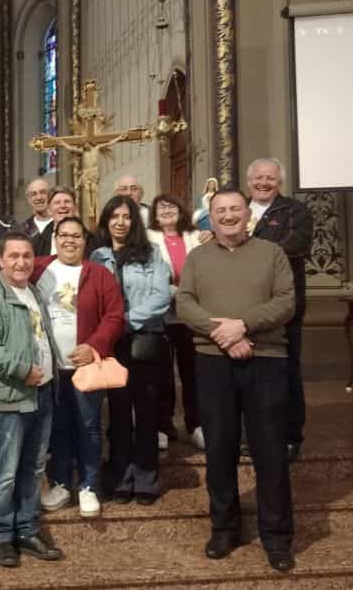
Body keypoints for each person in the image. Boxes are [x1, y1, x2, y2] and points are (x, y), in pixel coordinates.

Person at [176, 189, 297, 572]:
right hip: (213, 362)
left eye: (234, 209)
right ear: (209, 217)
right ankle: (224, 529)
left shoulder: (272, 254)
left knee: (270, 452)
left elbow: (285, 302)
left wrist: (244, 326)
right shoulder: (197, 257)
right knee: (220, 450)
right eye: (220, 211)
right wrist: (224, 336)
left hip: (267, 362)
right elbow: (185, 303)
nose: (227, 216)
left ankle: (277, 537)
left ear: (248, 214)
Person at [0, 231, 64, 568]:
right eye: (14, 256)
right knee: (5, 472)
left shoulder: (33, 291)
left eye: (26, 256)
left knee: (34, 468)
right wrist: (23, 370)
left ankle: (27, 529)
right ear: (0, 260)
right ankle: (1, 535)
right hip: (11, 397)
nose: (21, 262)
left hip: (42, 394)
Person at [33, 216, 124, 517]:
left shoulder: (98, 275)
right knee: (57, 426)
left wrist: (94, 345)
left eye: (76, 236)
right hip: (49, 367)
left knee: (88, 426)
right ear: (54, 238)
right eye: (63, 235)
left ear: (85, 241)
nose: (69, 241)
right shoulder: (38, 269)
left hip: (85, 367)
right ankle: (60, 482)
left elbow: (114, 316)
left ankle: (89, 486)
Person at [91, 196, 170, 505]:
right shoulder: (98, 256)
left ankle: (147, 478)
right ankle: (121, 476)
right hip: (112, 344)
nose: (120, 222)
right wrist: (108, 328)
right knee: (119, 411)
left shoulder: (151, 253)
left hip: (143, 340)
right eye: (115, 216)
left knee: (147, 412)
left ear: (134, 221)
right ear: (106, 221)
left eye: (126, 216)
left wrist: (122, 321)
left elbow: (160, 297)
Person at [247, 158, 313, 462]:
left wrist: (248, 247)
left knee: (285, 370)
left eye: (269, 178)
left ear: (279, 182)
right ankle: (255, 434)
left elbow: (298, 244)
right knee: (250, 373)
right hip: (244, 307)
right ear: (249, 181)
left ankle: (290, 436)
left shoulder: (294, 210)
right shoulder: (238, 209)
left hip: (284, 306)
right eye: (258, 178)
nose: (263, 183)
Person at [147, 194, 205, 451]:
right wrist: (174, 292)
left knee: (193, 372)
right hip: (162, 313)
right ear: (154, 214)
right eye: (161, 208)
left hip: (192, 314)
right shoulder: (147, 238)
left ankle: (196, 424)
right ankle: (162, 425)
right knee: (161, 373)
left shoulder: (196, 236)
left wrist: (187, 295)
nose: (167, 211)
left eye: (172, 206)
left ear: (181, 210)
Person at [32, 186, 98, 258]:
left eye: (67, 201)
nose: (63, 206)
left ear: (75, 207)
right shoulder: (37, 243)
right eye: (57, 202)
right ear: (49, 210)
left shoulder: (92, 240)